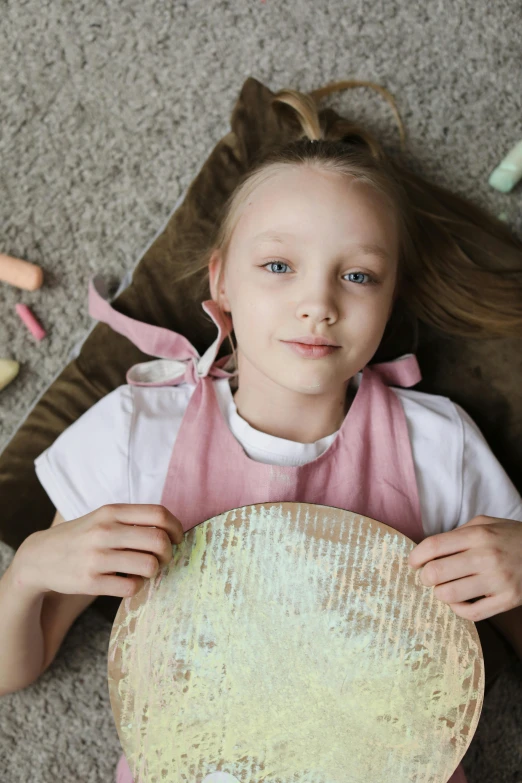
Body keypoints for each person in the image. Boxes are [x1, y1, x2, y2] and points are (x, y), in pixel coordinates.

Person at [0, 85, 521, 783]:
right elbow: (15, 669)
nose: (318, 304)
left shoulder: (440, 446)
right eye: (279, 266)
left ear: (391, 298)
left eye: (359, 275)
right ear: (221, 283)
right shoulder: (137, 432)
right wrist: (31, 568)